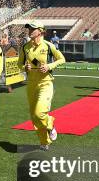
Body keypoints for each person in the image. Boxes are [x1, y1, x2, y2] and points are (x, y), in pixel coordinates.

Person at [18, 20, 66, 151]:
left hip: (46, 84)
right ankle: (45, 141)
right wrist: (24, 67)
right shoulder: (25, 47)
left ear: (40, 31)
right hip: (31, 85)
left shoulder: (48, 46)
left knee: (40, 113)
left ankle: (50, 125)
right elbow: (19, 64)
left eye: (32, 28)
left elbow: (62, 59)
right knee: (34, 117)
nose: (29, 31)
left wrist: (49, 66)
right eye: (28, 28)